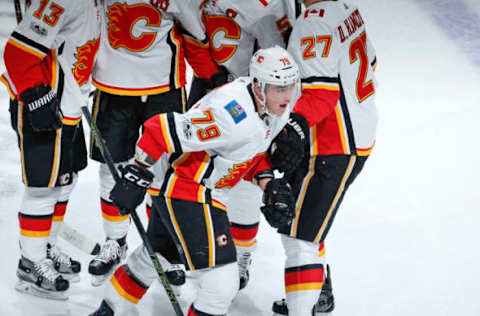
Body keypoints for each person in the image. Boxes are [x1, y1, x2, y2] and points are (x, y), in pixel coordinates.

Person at [89, 46, 299, 316]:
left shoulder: (271, 107)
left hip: (203, 190)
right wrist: (137, 172)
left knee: (159, 256)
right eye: (278, 88)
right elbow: (159, 129)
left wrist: (268, 183)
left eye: (290, 86)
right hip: (188, 189)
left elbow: (246, 152)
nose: (287, 95)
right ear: (258, 85)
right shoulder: (229, 115)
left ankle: (109, 309)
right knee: (222, 283)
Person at [87, 0, 208, 287]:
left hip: (163, 86)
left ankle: (162, 247)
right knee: (113, 170)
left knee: (164, 172)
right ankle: (115, 242)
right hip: (111, 83)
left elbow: (198, 29)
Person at [269, 0, 378, 314]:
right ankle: (318, 293)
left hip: (334, 145)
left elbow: (322, 93)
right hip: (355, 130)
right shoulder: (346, 8)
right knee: (305, 221)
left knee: (299, 237)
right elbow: (371, 60)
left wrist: (295, 129)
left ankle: (308, 304)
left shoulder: (313, 22)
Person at [183, 0, 295, 289]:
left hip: (261, 95)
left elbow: (282, 51)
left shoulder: (275, 6)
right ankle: (188, 245)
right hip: (214, 89)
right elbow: (191, 36)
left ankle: (242, 256)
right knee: (195, 172)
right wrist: (211, 75)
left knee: (248, 182)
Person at [0, 0, 100, 300]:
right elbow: (17, 54)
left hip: (68, 102)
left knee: (65, 181)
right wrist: (34, 95)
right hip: (43, 105)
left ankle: (45, 245)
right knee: (43, 188)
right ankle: (30, 263)